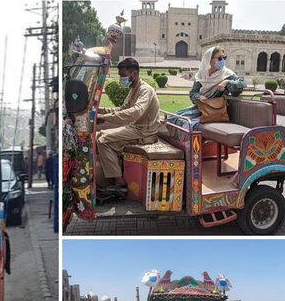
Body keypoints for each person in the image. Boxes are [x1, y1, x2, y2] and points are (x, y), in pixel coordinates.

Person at [96, 57, 160, 196]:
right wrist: (100, 110)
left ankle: (119, 182)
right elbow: (122, 109)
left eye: (122, 76)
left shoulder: (145, 90)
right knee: (99, 135)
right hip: (136, 128)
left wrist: (104, 118)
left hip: (144, 132)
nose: (121, 79)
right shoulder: (133, 89)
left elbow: (135, 112)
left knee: (102, 140)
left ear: (134, 74)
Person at [171, 46, 245, 130]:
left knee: (186, 123)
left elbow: (242, 84)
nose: (223, 61)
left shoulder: (227, 74)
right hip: (200, 107)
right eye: (220, 58)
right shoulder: (201, 74)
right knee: (172, 118)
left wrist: (227, 82)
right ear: (209, 59)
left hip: (216, 110)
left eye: (224, 58)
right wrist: (199, 97)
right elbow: (193, 93)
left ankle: (190, 141)